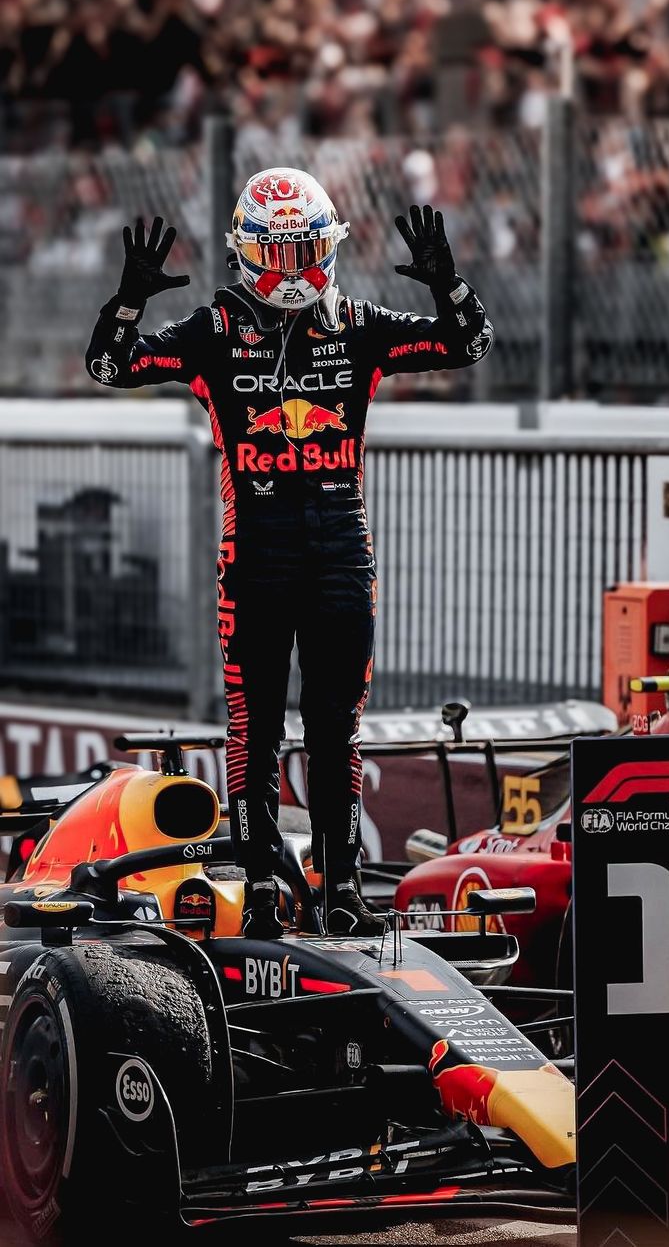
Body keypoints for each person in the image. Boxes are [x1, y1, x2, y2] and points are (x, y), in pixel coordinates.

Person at [86, 169, 494, 936]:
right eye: (276, 254)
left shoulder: (359, 323)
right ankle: (263, 890)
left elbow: (467, 342)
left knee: (337, 725)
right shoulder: (212, 328)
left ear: (329, 246)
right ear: (247, 254)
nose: (292, 270)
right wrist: (131, 298)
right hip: (256, 559)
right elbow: (110, 364)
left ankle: (343, 891)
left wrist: (449, 281)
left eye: (305, 249)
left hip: (342, 554)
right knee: (257, 727)